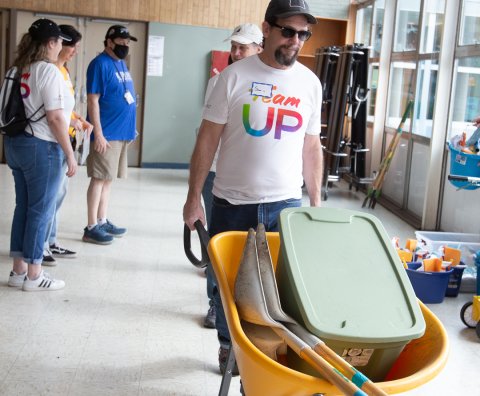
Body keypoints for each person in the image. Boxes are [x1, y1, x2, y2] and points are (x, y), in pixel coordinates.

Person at [183, 0, 323, 374]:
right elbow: (207, 140)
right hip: (232, 203)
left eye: (304, 34)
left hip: (286, 206)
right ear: (267, 28)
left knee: (277, 292)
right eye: (288, 31)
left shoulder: (310, 84)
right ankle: (229, 346)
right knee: (227, 288)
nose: (296, 41)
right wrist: (193, 199)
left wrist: (316, 201)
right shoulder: (233, 77)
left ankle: (262, 359)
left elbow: (311, 146)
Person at [5, 18, 77, 291]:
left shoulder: (18, 68)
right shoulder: (47, 71)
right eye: (60, 41)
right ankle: (35, 274)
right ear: (50, 43)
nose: (62, 45)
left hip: (16, 145)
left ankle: (18, 271)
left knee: (23, 207)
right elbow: (56, 118)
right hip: (41, 148)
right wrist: (69, 154)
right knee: (41, 211)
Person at [202, 23, 263, 330]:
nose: (236, 53)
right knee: (218, 248)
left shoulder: (268, 86)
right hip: (217, 175)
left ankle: (246, 313)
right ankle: (216, 304)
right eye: (234, 47)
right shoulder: (220, 81)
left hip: (253, 184)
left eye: (244, 47)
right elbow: (207, 134)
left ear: (258, 50)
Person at [42, 25, 94, 266]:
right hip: (54, 141)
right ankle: (40, 245)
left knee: (59, 194)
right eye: (72, 45)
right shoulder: (50, 71)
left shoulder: (63, 71)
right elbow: (51, 112)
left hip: (68, 137)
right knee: (49, 197)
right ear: (60, 43)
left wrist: (79, 120)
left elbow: (64, 109)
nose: (74, 51)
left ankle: (50, 240)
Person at [82, 25, 137, 245]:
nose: (125, 46)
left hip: (121, 133)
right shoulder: (99, 64)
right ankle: (91, 226)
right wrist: (99, 133)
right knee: (98, 178)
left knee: (108, 179)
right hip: (107, 133)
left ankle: (102, 219)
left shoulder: (121, 63)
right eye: (121, 42)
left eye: (127, 43)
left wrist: (130, 128)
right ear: (109, 42)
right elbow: (93, 101)